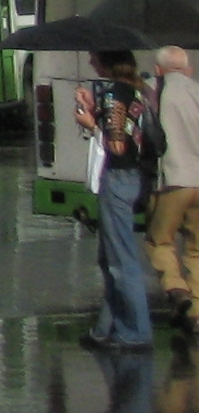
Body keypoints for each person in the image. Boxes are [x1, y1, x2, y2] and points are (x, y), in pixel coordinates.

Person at [76, 49, 155, 352]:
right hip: (134, 177)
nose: (91, 61)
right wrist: (94, 108)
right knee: (109, 257)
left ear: (107, 62)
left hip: (119, 178)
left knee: (120, 260)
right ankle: (106, 327)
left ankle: (135, 332)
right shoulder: (135, 90)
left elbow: (117, 145)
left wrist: (90, 124)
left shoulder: (115, 94)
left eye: (95, 58)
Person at [145, 45, 199, 337]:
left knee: (159, 241)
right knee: (197, 249)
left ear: (158, 70)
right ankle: (197, 313)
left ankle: (176, 289)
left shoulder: (154, 90)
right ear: (188, 69)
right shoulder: (197, 90)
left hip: (172, 181)